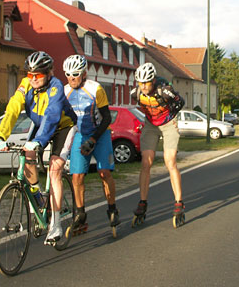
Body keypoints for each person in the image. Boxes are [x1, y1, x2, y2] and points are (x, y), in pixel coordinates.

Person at [0, 51, 76, 244]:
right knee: (26, 156)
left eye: (37, 75)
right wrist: (1, 135)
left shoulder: (55, 86)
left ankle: (56, 225)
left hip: (62, 126)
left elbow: (52, 114)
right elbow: (14, 107)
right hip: (40, 126)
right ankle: (37, 198)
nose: (33, 79)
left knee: (54, 168)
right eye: (30, 75)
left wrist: (39, 140)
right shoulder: (25, 85)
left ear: (48, 73)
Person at [62, 54, 120, 235]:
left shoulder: (96, 89)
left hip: (100, 134)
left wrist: (93, 139)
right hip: (80, 134)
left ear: (84, 73)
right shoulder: (64, 91)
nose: (72, 78)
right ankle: (81, 214)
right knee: (77, 177)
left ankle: (112, 209)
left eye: (76, 74)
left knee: (104, 173)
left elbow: (107, 118)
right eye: (68, 74)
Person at [130, 62, 185, 225]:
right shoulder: (136, 93)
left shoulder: (164, 90)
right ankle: (142, 202)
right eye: (141, 83)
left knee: (170, 162)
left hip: (168, 123)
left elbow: (180, 102)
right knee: (146, 162)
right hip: (151, 125)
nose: (144, 86)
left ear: (153, 80)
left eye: (147, 82)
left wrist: (172, 118)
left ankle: (178, 202)